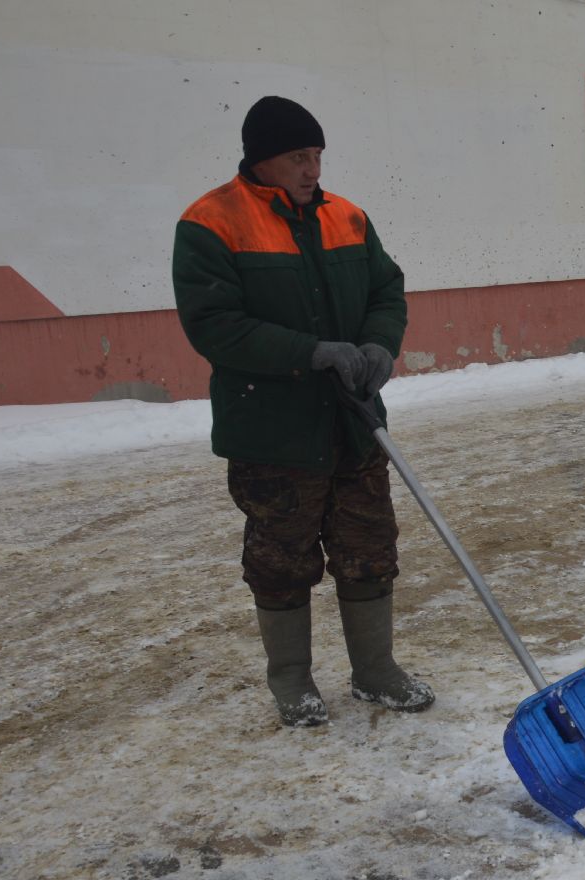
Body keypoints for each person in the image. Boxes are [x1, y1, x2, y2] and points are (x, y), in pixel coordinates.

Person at [172, 96, 434, 726]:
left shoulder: (347, 217)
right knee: (281, 559)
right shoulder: (211, 222)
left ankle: (375, 671)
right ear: (263, 158)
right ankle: (292, 680)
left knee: (369, 548)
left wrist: (377, 345)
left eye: (316, 155)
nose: (312, 168)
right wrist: (310, 352)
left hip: (353, 422)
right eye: (298, 156)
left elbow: (385, 289)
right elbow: (214, 325)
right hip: (272, 431)